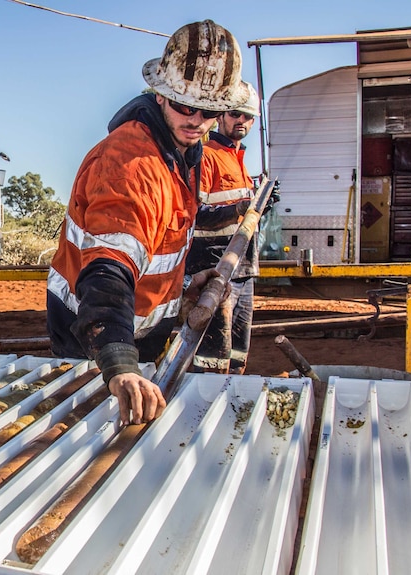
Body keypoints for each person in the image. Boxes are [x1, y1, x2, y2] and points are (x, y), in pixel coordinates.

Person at [46, 20, 250, 425]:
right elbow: (108, 267)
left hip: (135, 329)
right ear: (160, 95)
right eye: (184, 106)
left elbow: (154, 247)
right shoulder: (132, 162)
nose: (195, 120)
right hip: (96, 334)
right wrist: (120, 364)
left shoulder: (184, 153)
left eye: (208, 111)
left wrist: (182, 290)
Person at [186, 84, 278, 374]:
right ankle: (202, 405)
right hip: (213, 271)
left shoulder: (238, 160)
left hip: (242, 271)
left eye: (248, 116)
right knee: (212, 356)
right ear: (221, 116)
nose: (242, 121)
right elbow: (195, 215)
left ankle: (231, 405)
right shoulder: (206, 155)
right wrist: (241, 208)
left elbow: (243, 217)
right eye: (236, 114)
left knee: (238, 352)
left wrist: (261, 204)